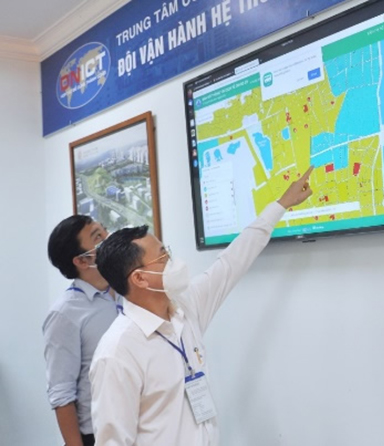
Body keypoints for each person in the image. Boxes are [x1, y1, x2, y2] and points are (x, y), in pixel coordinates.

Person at [90, 167, 314, 446]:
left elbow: (232, 262)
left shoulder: (184, 308)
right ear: (139, 278)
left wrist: (280, 205)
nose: (173, 261)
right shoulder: (117, 353)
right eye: (163, 257)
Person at [43, 215, 122, 446]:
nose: (109, 238)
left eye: (104, 230)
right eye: (98, 237)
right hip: (98, 435)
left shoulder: (125, 291)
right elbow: (61, 392)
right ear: (82, 261)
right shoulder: (65, 313)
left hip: (139, 425)